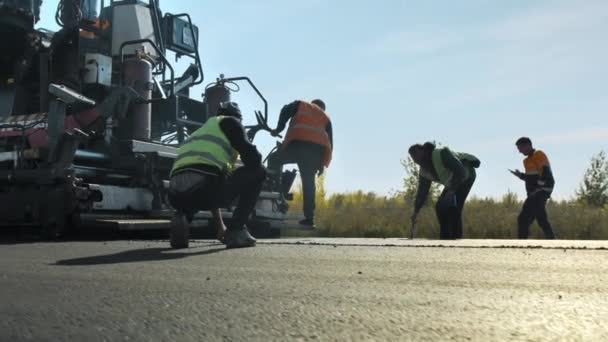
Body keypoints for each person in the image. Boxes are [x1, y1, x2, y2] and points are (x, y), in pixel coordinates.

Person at [168, 102, 266, 249]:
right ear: (238, 118)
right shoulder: (231, 123)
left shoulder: (199, 132)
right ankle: (237, 230)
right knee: (259, 171)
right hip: (206, 188)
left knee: (202, 184)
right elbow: (253, 160)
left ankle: (182, 217)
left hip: (175, 194)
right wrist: (244, 140)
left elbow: (210, 175)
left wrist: (220, 225)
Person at [267, 99, 333, 227]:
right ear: (322, 108)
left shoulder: (302, 105)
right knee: (309, 184)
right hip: (314, 154)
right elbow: (329, 144)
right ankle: (309, 218)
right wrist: (321, 164)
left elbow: (285, 109)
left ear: (312, 103)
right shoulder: (326, 118)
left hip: (297, 145)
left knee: (274, 159)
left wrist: (279, 129)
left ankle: (277, 192)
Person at [409, 142, 480, 239]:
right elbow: (422, 191)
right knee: (441, 207)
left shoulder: (441, 154)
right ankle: (446, 238)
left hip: (466, 175)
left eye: (418, 156)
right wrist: (416, 211)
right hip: (453, 181)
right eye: (414, 159)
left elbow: (461, 172)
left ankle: (454, 238)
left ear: (424, 151)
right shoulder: (424, 171)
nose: (417, 160)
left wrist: (452, 190)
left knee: (453, 207)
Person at [510, 137, 556, 239]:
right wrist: (520, 175)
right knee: (542, 219)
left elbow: (545, 172)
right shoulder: (526, 161)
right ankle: (552, 241)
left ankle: (522, 243)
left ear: (527, 145)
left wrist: (538, 188)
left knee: (523, 219)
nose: (519, 151)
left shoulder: (538, 154)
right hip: (534, 192)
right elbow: (531, 178)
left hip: (540, 191)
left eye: (520, 148)